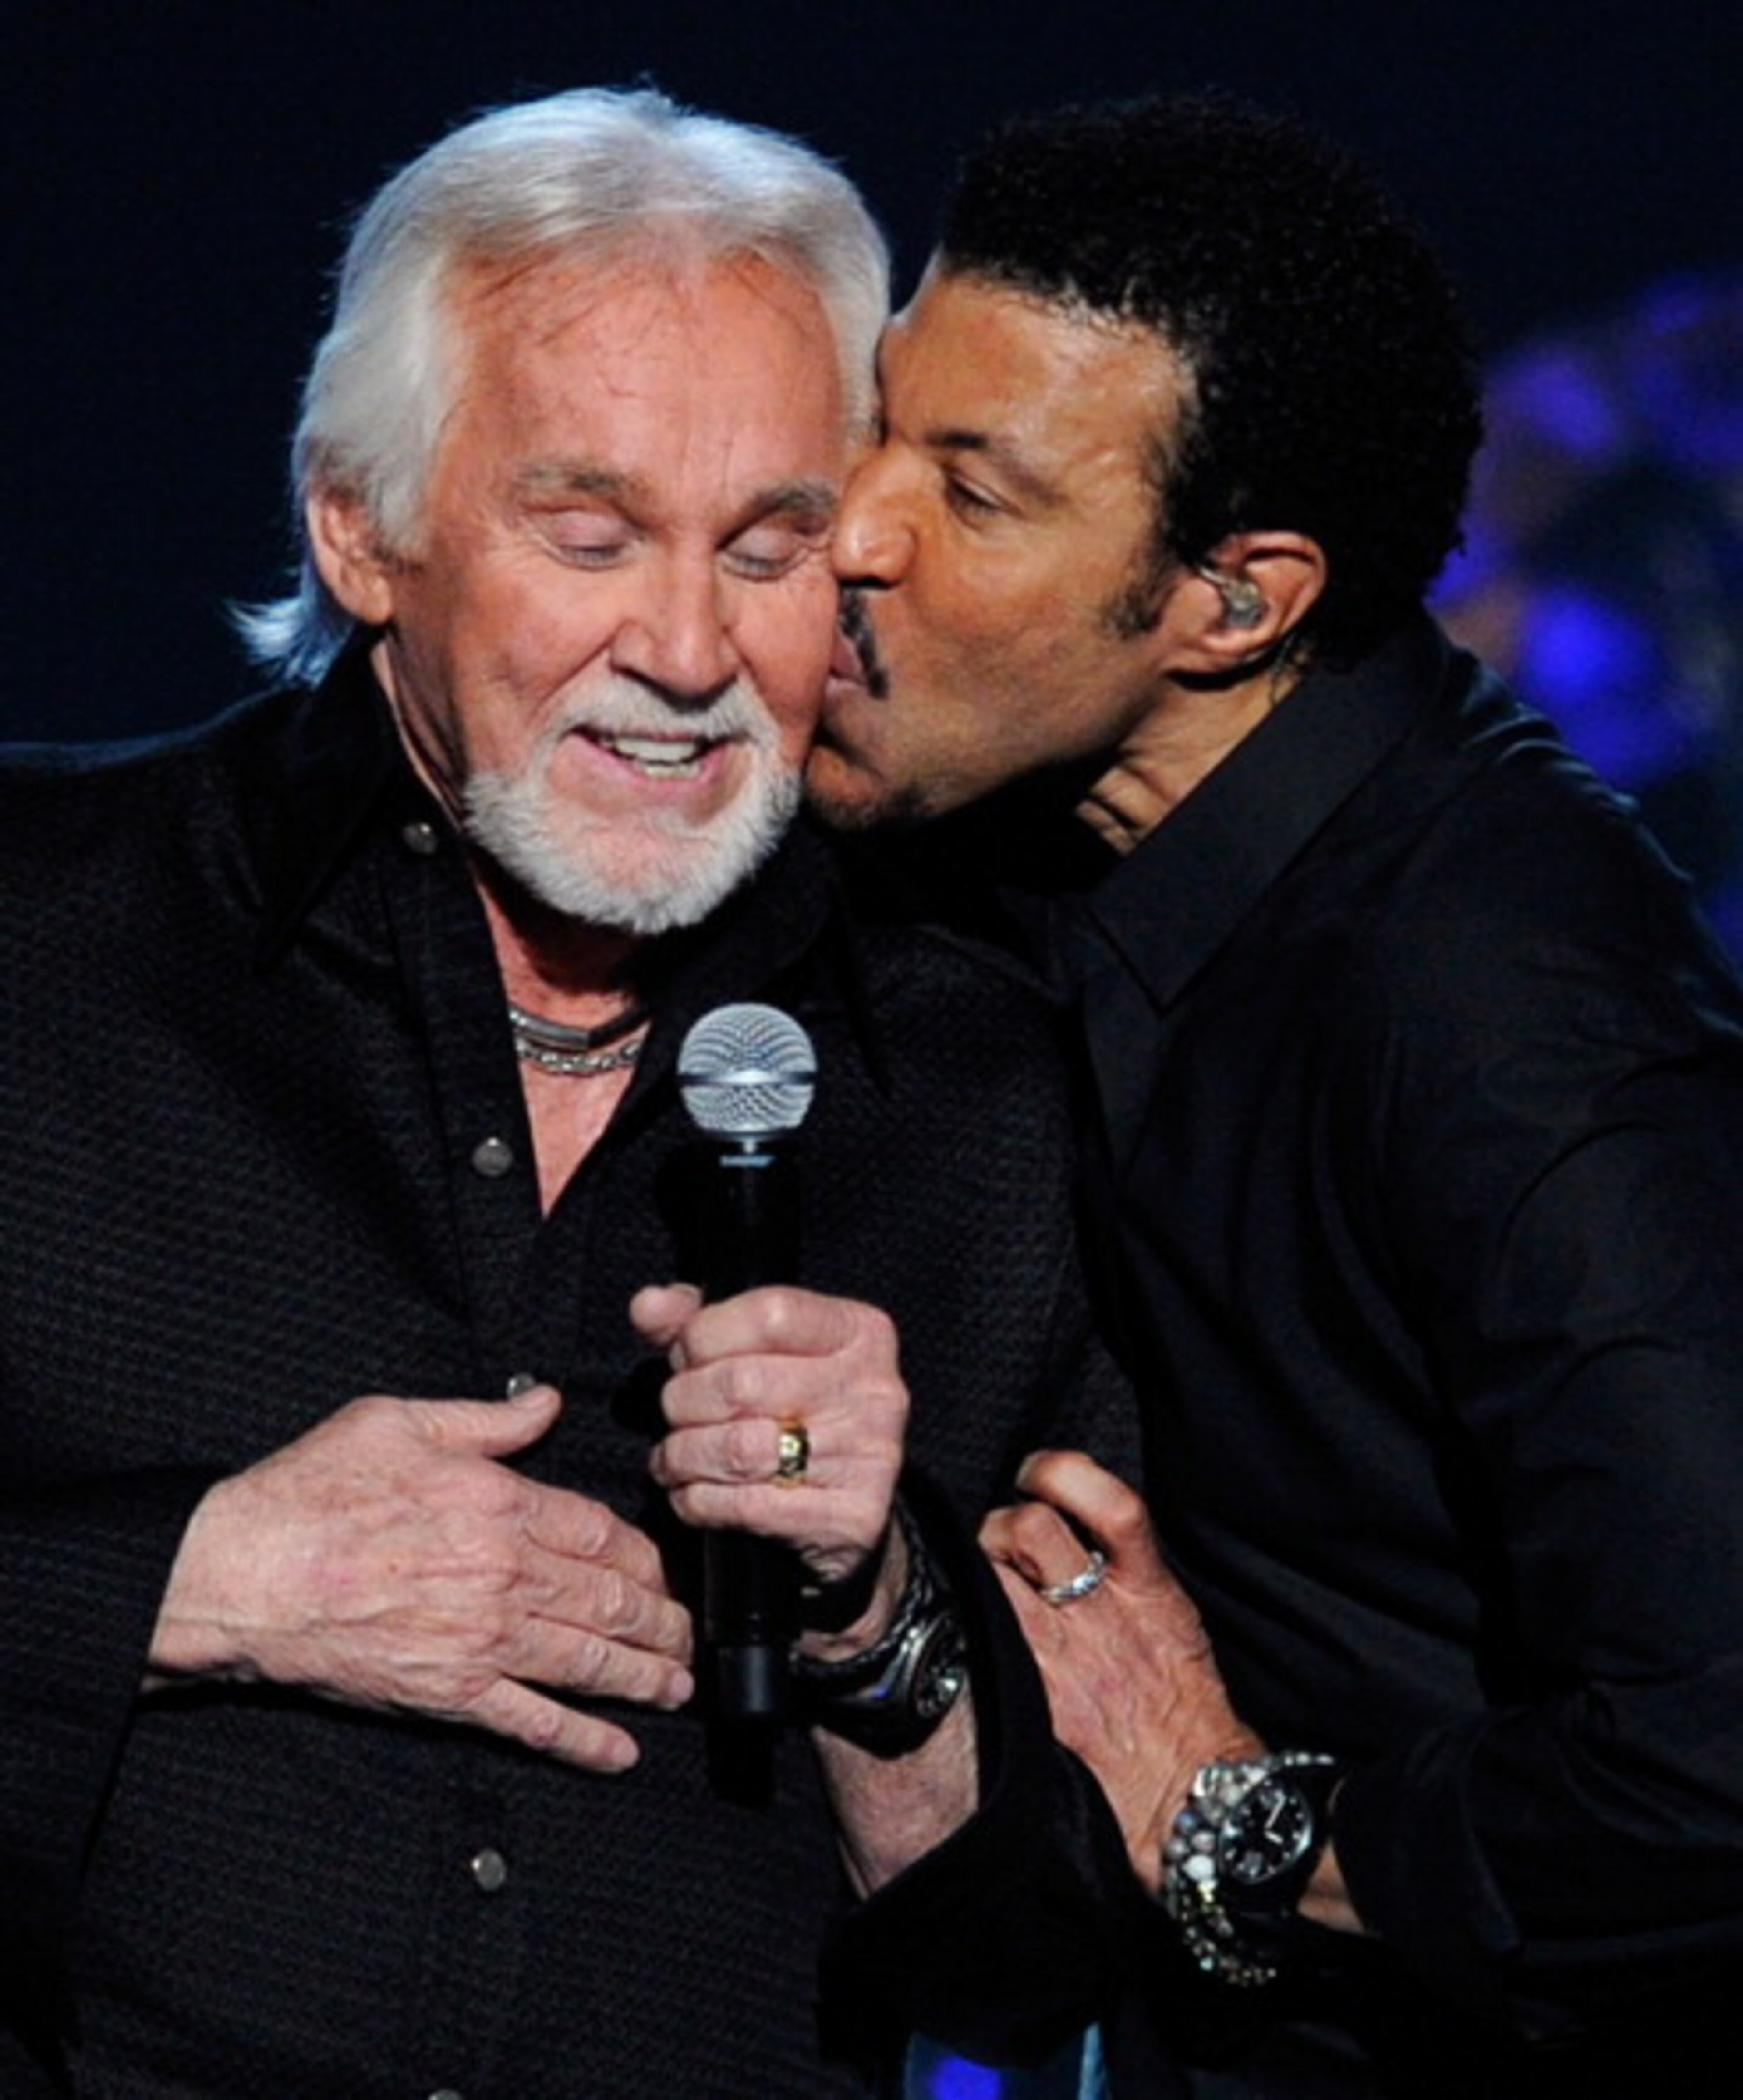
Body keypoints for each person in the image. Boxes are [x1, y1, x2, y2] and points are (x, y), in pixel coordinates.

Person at [0, 89, 1119, 2096]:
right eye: (587, 534)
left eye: (770, 548)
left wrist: (880, 1613)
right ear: (364, 526)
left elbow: (1027, 1974)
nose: (686, 649)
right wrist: (195, 1580)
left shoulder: (977, 1092)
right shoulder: (42, 944)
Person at [810, 92, 1743, 2096]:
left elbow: (1718, 1753)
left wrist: (1229, 1828)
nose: (853, 528)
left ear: (1234, 600)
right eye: (879, 424)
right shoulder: (1031, 831)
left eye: (973, 495)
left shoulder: (1501, 998)